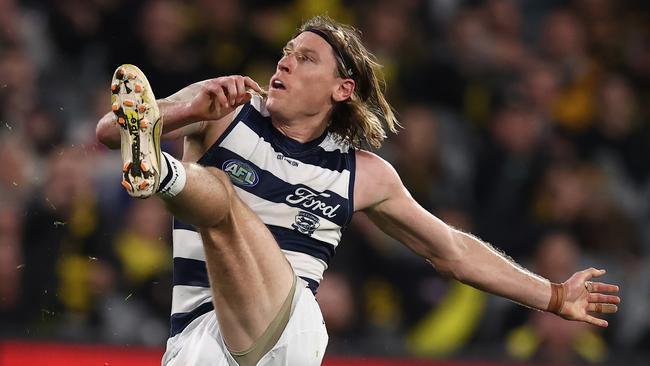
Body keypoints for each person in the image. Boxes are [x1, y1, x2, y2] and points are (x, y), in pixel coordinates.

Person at [96, 16, 620, 366]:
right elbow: (108, 132)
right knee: (219, 197)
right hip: (198, 345)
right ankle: (160, 170)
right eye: (285, 52)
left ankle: (164, 175)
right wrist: (187, 111)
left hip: (289, 335)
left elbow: (453, 251)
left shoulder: (363, 173)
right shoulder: (223, 110)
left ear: (341, 89)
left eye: (305, 59)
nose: (283, 62)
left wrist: (553, 295)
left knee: (222, 198)